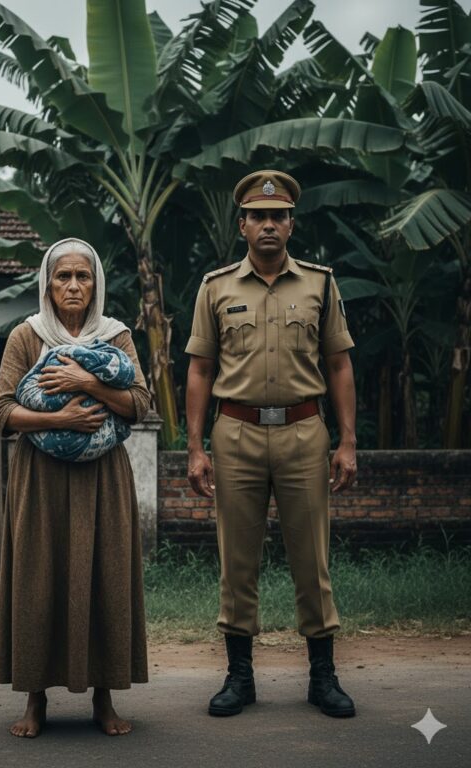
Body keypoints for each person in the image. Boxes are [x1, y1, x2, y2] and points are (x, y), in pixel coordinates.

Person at [185, 170, 358, 719]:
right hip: (233, 432)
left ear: (290, 224)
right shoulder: (216, 287)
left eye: (277, 216)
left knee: (313, 558)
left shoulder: (320, 284)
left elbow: (338, 363)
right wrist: (194, 447)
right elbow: (200, 368)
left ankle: (323, 678)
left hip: (306, 432)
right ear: (242, 225)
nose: (268, 224)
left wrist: (348, 440)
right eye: (258, 216)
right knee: (237, 560)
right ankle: (240, 678)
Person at [0, 237, 150, 738]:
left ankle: (104, 700)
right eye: (64, 277)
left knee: (105, 576)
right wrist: (56, 417)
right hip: (40, 480)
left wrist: (86, 381)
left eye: (84, 276)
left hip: (104, 479)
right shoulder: (26, 336)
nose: (74, 285)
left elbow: (140, 403)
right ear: (48, 284)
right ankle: (35, 701)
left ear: (96, 283)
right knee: (39, 579)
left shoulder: (116, 335)